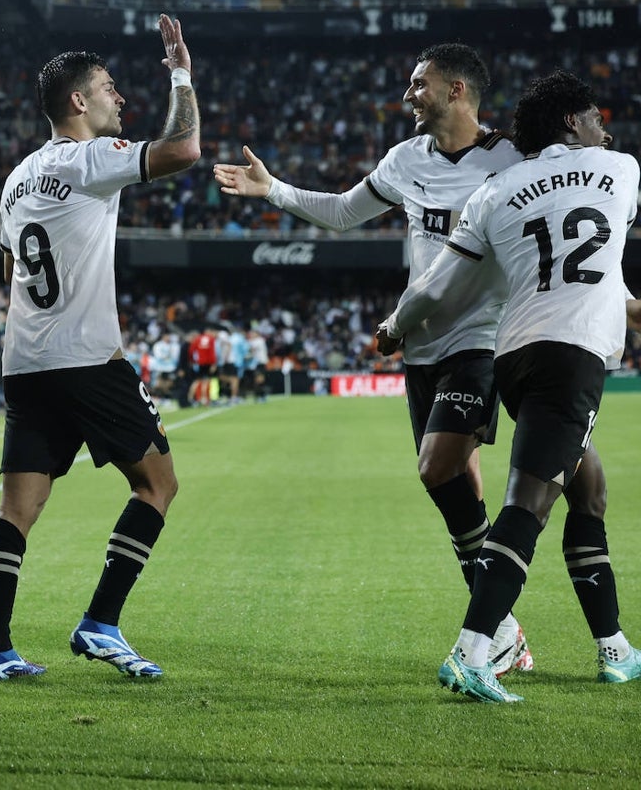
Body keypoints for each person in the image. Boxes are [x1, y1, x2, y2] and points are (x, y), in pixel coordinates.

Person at [214, 43, 532, 674]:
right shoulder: (405, 159)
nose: (408, 94)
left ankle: (494, 623)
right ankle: (502, 628)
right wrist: (272, 189)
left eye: (420, 84)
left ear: (458, 90)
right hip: (421, 345)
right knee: (454, 481)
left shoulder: (513, 159)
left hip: (484, 337)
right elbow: (342, 213)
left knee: (436, 467)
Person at [376, 70, 641, 702]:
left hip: (513, 357)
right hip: (572, 357)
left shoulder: (497, 189)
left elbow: (438, 286)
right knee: (527, 505)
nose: (606, 126)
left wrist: (392, 328)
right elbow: (592, 256)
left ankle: (615, 648)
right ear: (573, 123)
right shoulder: (621, 168)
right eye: (596, 115)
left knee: (589, 490)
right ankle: (472, 652)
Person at [0, 13, 200, 681]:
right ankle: (100, 623)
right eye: (107, 88)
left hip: (27, 362)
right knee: (157, 485)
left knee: (17, 509)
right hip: (87, 359)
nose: (119, 98)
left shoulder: (16, 180)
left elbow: (11, 270)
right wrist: (180, 73)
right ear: (77, 102)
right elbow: (184, 149)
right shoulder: (86, 159)